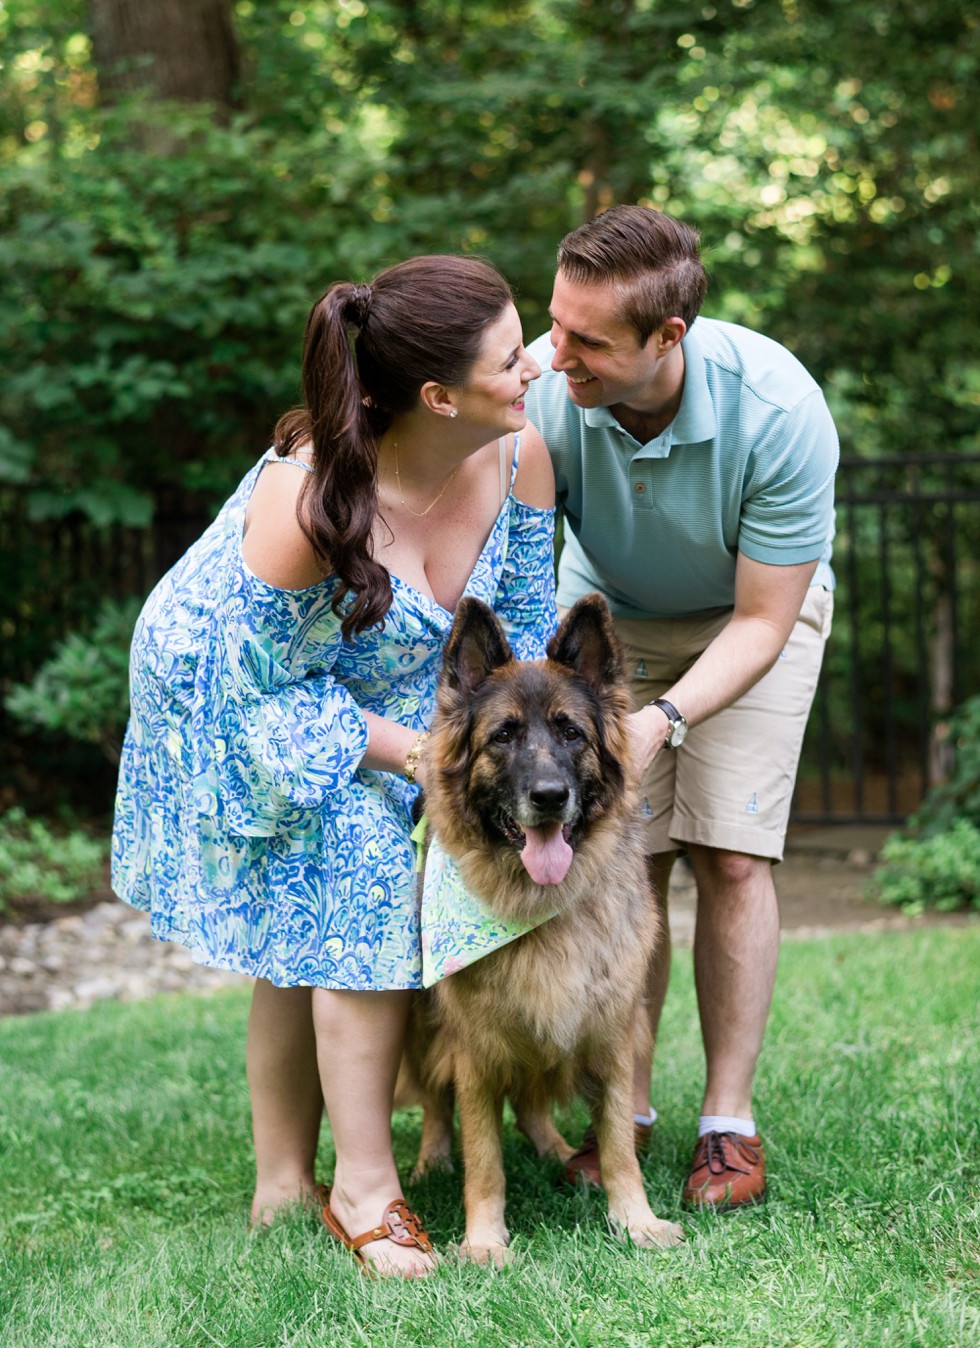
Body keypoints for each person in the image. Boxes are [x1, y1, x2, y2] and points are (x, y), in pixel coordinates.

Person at [111, 255, 557, 1277]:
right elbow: (269, 689)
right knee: (348, 860)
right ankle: (359, 1188)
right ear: (436, 395)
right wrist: (423, 756)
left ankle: (280, 1182)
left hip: (383, 680)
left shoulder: (516, 453)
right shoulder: (308, 502)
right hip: (237, 680)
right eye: (506, 357)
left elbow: (520, 629)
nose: (531, 366)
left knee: (303, 914)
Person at [524, 205, 838, 1210]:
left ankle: (726, 1126)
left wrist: (662, 721)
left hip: (746, 619)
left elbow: (760, 621)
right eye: (554, 324)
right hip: (610, 617)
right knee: (628, 859)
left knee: (731, 853)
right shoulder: (540, 389)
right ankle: (625, 1110)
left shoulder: (777, 411)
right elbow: (516, 550)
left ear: (668, 337)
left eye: (587, 340)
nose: (556, 354)